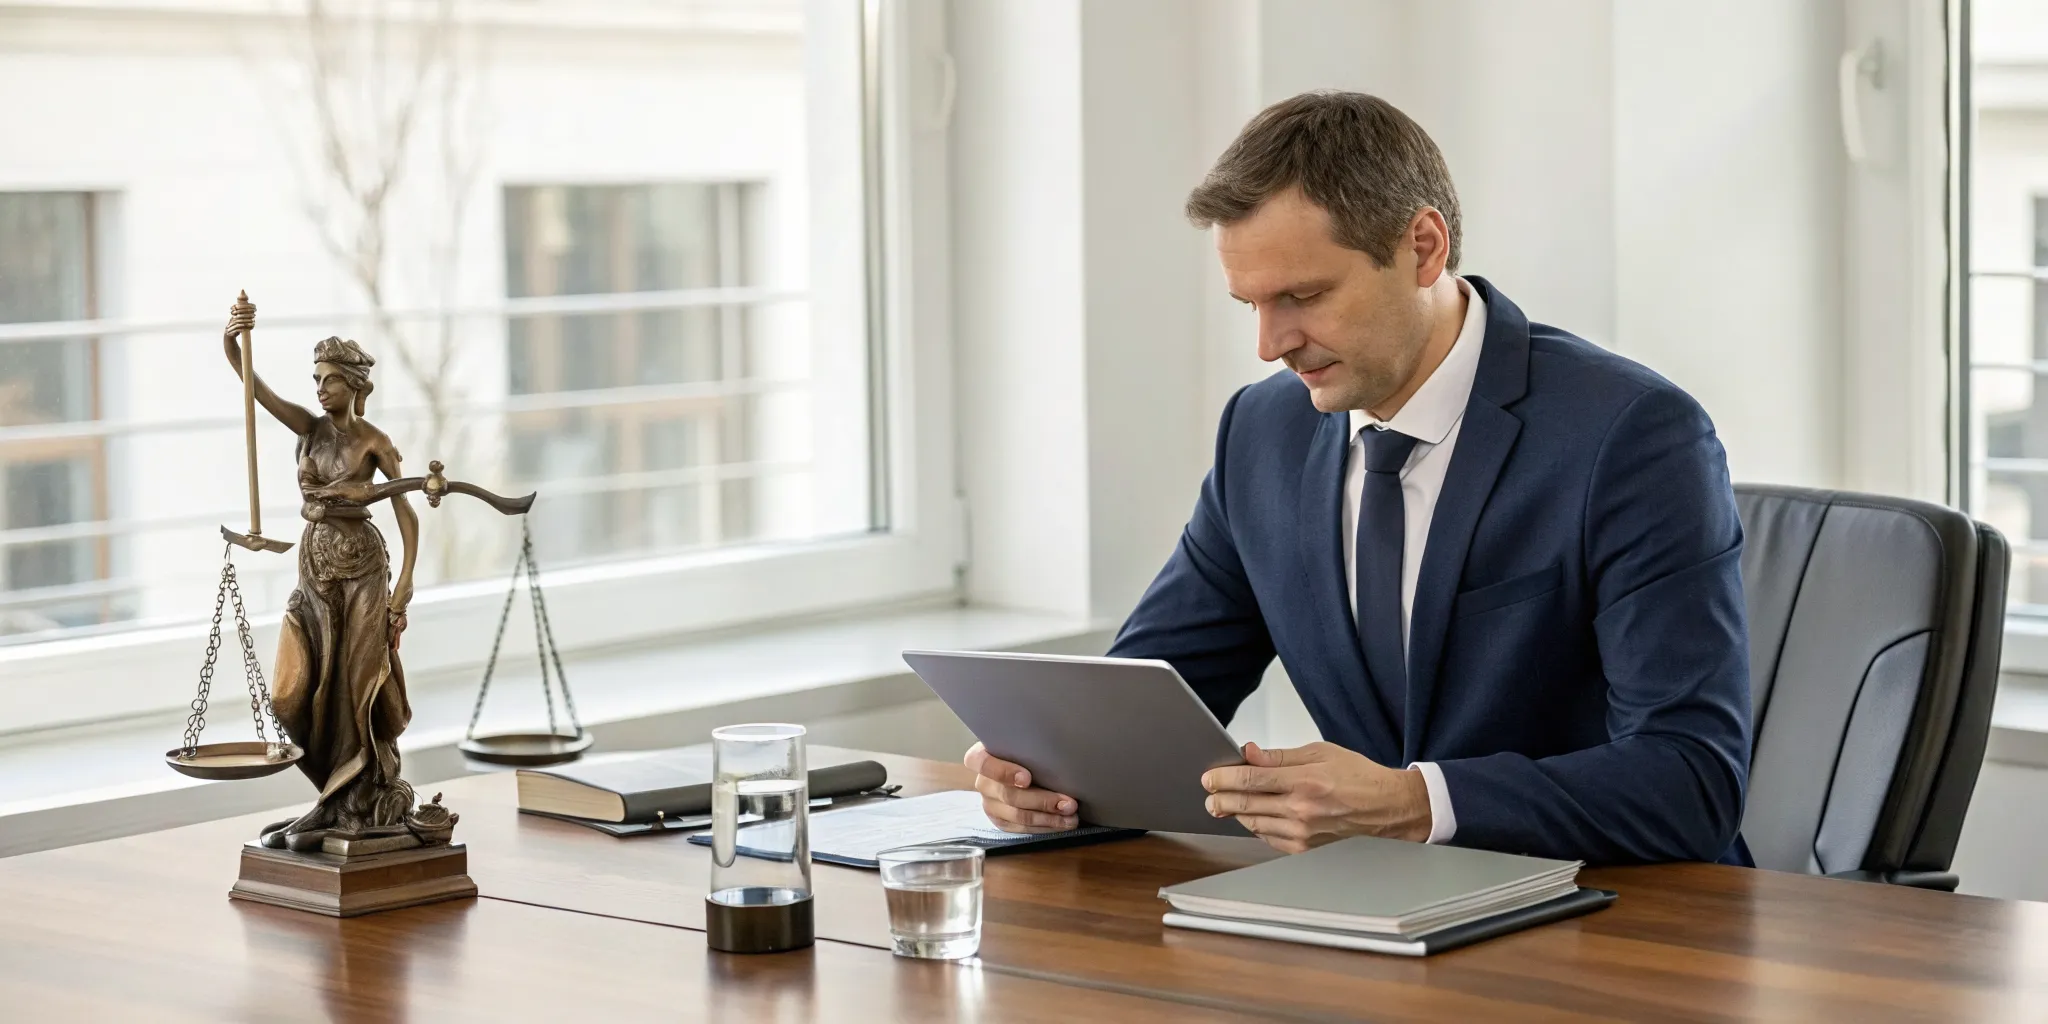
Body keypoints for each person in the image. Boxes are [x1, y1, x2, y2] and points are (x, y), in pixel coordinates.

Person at [965, 91, 1752, 865]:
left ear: (1424, 247)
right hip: (1375, 921)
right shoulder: (1260, 434)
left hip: (1620, 924)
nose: (1272, 344)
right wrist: (1043, 769)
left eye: (1303, 296)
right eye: (1252, 306)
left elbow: (1691, 778)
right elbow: (1150, 702)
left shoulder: (1632, 436)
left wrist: (1414, 804)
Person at [222, 304, 422, 852]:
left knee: (354, 689)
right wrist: (233, 340)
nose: (319, 389)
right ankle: (327, 801)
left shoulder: (373, 441)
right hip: (314, 563)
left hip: (363, 569)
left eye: (330, 380)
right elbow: (254, 388)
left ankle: (351, 807)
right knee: (297, 690)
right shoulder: (308, 428)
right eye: (316, 379)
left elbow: (405, 512)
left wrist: (404, 583)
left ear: (355, 385)